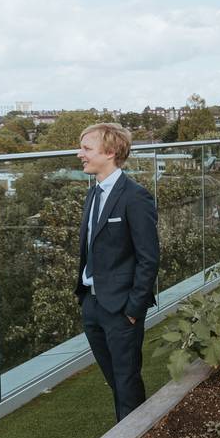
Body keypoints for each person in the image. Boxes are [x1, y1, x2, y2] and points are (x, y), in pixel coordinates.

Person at [75, 123, 159, 422]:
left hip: (121, 308)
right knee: (116, 381)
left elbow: (149, 258)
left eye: (86, 149)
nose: (79, 154)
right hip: (93, 305)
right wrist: (86, 299)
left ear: (110, 152)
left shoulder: (135, 197)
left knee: (126, 382)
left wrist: (133, 309)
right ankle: (134, 436)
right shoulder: (93, 193)